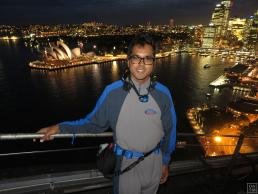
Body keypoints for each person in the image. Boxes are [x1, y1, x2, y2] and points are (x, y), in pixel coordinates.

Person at [37, 33, 177, 194]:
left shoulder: (163, 93)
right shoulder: (113, 92)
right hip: (126, 164)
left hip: (155, 162)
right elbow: (93, 124)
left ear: (154, 62)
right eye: (136, 58)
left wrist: (165, 161)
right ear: (128, 60)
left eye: (147, 58)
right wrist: (60, 128)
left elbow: (170, 131)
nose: (141, 64)